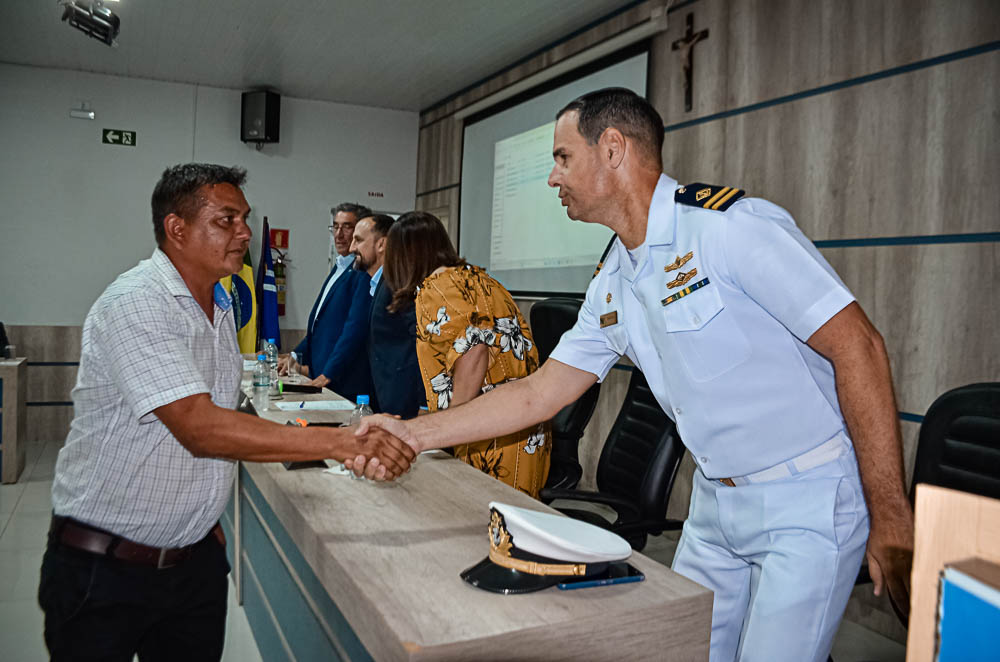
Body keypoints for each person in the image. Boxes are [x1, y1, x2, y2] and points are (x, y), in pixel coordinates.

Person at [353, 89, 914, 661]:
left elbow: (860, 349)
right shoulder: (615, 277)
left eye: (563, 158)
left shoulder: (730, 229)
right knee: (683, 650)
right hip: (716, 501)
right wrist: (412, 434)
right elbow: (539, 394)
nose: (552, 177)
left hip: (807, 498)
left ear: (613, 149)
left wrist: (891, 514)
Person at [39, 164, 414, 662]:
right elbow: (200, 428)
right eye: (227, 220)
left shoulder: (217, 304)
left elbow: (222, 417)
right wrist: (342, 443)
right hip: (105, 570)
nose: (244, 233)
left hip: (192, 566)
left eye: (244, 218)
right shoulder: (137, 303)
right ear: (177, 229)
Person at [381, 211, 550, 497]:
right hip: (523, 429)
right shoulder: (482, 280)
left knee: (482, 527)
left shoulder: (434, 289)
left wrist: (448, 429)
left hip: (486, 436)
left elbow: (473, 352)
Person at [281, 202, 373, 400]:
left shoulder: (363, 273)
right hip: (322, 375)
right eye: (335, 226)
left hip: (342, 380)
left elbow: (354, 330)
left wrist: (329, 373)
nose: (339, 234)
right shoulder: (339, 266)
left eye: (347, 227)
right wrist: (294, 355)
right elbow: (320, 326)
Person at [356, 214, 426, 418]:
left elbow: (421, 343)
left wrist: (424, 404)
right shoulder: (384, 280)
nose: (352, 248)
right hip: (384, 393)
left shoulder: (403, 282)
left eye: (359, 240)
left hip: (406, 398)